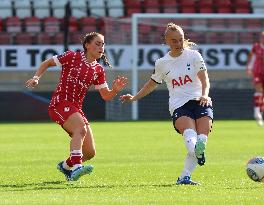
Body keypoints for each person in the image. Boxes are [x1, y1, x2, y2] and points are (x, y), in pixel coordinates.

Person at [25, 32, 128, 181]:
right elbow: (47, 63)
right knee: (80, 129)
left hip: (76, 108)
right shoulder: (72, 56)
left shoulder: (98, 69)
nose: (101, 47)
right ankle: (76, 168)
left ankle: (66, 166)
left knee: (90, 152)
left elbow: (106, 96)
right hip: (60, 103)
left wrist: (115, 91)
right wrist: (36, 78)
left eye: (103, 44)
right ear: (87, 45)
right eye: (97, 43)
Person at [120, 23, 213, 185]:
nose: (178, 44)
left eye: (180, 40)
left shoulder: (194, 56)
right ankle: (197, 153)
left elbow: (205, 79)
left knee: (202, 139)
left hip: (200, 100)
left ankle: (185, 176)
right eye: (174, 41)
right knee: (191, 136)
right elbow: (151, 84)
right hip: (179, 105)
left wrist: (205, 95)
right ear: (166, 41)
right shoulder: (162, 63)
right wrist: (134, 98)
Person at [246, 31, 264, 126]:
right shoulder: (256, 47)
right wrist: (249, 68)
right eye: (262, 37)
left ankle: (260, 111)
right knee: (259, 90)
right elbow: (251, 57)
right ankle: (257, 113)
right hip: (258, 71)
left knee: (262, 95)